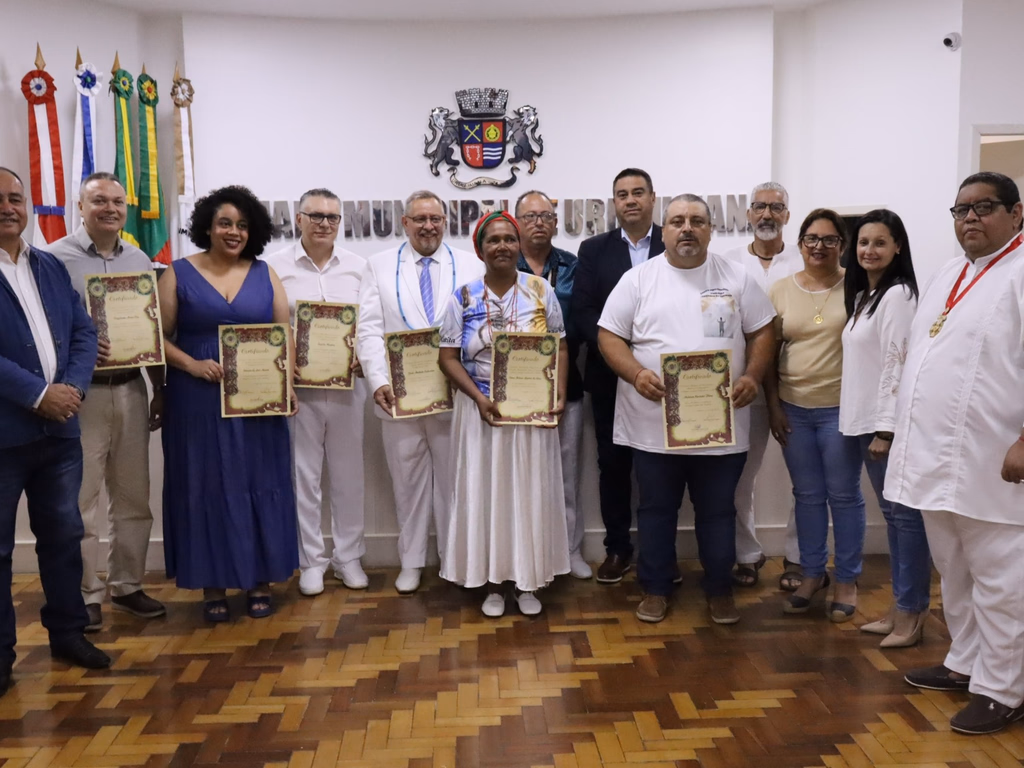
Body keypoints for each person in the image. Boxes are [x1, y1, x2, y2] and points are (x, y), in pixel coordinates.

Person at [597, 194, 775, 624]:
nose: (687, 228)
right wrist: (636, 374)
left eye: (697, 221)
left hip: (720, 425)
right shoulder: (638, 280)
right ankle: (655, 589)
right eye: (677, 221)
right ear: (665, 229)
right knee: (656, 511)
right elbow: (609, 336)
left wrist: (752, 375)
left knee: (718, 512)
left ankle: (720, 590)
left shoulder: (737, 277)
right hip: (652, 425)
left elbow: (764, 330)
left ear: (710, 229)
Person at [893, 172, 1024, 735]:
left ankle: (1005, 688)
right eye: (960, 209)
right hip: (932, 457)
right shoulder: (952, 272)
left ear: (1016, 214)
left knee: (1001, 577)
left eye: (984, 207)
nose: (969, 218)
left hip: (994, 459)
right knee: (956, 569)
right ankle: (966, 663)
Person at [157, 185, 298, 621]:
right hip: (196, 401)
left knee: (259, 482)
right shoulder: (177, 272)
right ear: (207, 227)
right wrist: (191, 365)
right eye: (224, 223)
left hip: (257, 403)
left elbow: (284, 331)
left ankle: (259, 579)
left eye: (241, 224)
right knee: (204, 485)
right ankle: (212, 584)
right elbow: (154, 338)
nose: (233, 231)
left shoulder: (265, 272)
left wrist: (287, 385)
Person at [0, 167, 110, 696]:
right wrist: (38, 394)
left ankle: (68, 634)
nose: (8, 207)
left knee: (64, 539)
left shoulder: (46, 264)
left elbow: (83, 332)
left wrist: (73, 389)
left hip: (61, 435)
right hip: (5, 437)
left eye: (16, 198)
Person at [48, 172, 166, 632]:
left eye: (117, 201)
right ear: (80, 207)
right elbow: (46, 327)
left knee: (134, 495)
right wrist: (75, 351)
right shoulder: (53, 260)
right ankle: (86, 593)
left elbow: (151, 331)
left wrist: (160, 386)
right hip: (83, 394)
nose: (110, 209)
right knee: (82, 501)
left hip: (131, 388)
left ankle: (128, 584)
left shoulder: (139, 258)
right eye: (99, 201)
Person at [438, 211, 569, 616]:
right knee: (486, 493)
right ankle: (493, 583)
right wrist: (478, 398)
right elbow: (447, 357)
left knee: (528, 492)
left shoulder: (541, 290)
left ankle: (528, 581)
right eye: (493, 240)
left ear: (519, 245)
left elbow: (560, 347)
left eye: (509, 239)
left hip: (530, 411)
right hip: (481, 412)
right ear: (480, 249)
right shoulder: (463, 296)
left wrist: (559, 390)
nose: (502, 246)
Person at [357, 191, 482, 593]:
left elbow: (479, 327)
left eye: (436, 218)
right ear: (405, 222)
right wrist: (378, 380)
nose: (429, 226)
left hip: (454, 393)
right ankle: (410, 561)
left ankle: (452, 559)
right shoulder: (378, 267)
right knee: (407, 482)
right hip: (399, 396)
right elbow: (370, 328)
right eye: (420, 219)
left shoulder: (470, 264)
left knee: (454, 482)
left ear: (446, 222)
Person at [265, 189, 368, 597]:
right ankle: (311, 560)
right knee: (303, 475)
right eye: (317, 215)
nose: (325, 223)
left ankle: (349, 558)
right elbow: (271, 327)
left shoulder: (360, 268)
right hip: (298, 391)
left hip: (348, 387)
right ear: (299, 219)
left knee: (348, 475)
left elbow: (371, 324)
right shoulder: (274, 267)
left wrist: (363, 357)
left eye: (332, 217)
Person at [766, 209, 865, 622]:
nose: (819, 247)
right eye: (811, 239)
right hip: (793, 409)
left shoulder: (858, 288)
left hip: (842, 410)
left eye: (828, 239)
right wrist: (773, 407)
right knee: (806, 495)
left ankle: (846, 580)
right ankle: (811, 574)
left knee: (843, 496)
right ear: (800, 243)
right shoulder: (779, 290)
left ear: (842, 245)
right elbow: (767, 356)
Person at [838, 210, 928, 648]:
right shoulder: (863, 298)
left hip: (883, 429)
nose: (869, 250)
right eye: (862, 242)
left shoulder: (898, 296)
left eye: (879, 242)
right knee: (894, 520)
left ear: (897, 248)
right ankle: (900, 607)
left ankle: (912, 615)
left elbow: (899, 362)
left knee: (905, 519)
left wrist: (886, 431)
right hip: (862, 423)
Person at [572, 168, 665, 584]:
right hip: (610, 377)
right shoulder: (593, 250)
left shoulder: (674, 241)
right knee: (612, 465)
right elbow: (584, 312)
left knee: (660, 468)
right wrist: (620, 353)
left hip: (664, 381)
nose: (630, 200)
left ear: (652, 198)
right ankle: (617, 548)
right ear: (615, 203)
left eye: (638, 193)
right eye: (622, 194)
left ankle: (659, 553)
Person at [723, 182, 803, 591]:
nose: (767, 214)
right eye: (759, 207)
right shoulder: (728, 264)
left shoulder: (807, 258)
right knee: (740, 478)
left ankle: (798, 556)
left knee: (804, 481)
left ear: (788, 215)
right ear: (748, 214)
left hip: (800, 387)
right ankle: (747, 554)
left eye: (776, 207)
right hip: (746, 388)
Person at [515, 190, 590, 579]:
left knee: (566, 472)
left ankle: (571, 550)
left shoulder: (574, 266)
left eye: (545, 215)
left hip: (566, 382)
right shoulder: (499, 261)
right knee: (520, 475)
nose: (538, 222)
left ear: (556, 222)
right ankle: (525, 553)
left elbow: (580, 322)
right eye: (529, 217)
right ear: (516, 222)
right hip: (513, 387)